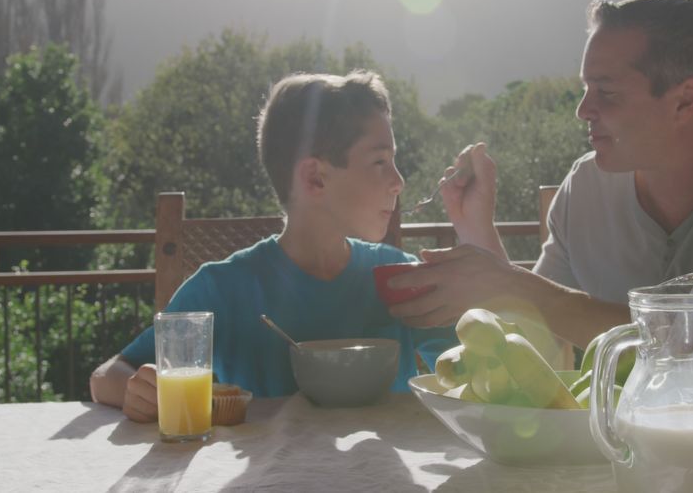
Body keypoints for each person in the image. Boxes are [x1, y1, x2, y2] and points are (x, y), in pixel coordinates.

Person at [386, 0, 693, 376]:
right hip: (602, 444)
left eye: (607, 92)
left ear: (685, 99)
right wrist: (477, 233)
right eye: (585, 89)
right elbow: (544, 352)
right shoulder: (585, 184)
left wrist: (509, 283)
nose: (583, 110)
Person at [90, 71, 457, 422]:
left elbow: (489, 368)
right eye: (380, 161)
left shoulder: (400, 279)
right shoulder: (223, 289)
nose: (398, 181)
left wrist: (474, 226)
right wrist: (136, 392)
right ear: (315, 177)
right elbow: (107, 375)